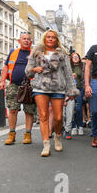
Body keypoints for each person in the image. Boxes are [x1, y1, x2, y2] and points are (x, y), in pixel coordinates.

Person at [25, 29, 79, 157]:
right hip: (40, 88)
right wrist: (34, 69)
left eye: (53, 37)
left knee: (58, 117)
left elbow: (68, 73)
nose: (50, 39)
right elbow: (28, 71)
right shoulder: (36, 53)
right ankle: (46, 144)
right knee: (43, 116)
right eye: (48, 37)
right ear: (44, 39)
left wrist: (71, 90)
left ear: (56, 40)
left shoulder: (63, 54)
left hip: (57, 88)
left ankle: (57, 137)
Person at [0, 32, 36, 145]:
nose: (26, 40)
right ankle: (11, 134)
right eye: (24, 39)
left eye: (28, 39)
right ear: (19, 41)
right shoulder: (13, 53)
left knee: (29, 111)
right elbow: (6, 67)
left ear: (31, 42)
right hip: (14, 85)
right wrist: (2, 81)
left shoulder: (35, 54)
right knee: (12, 110)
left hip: (30, 86)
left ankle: (28, 135)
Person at [63, 52, 85, 139]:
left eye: (77, 57)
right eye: (73, 57)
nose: (75, 58)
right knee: (71, 109)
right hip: (70, 90)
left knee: (79, 108)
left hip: (79, 89)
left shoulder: (82, 66)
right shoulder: (68, 67)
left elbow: (85, 78)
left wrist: (77, 77)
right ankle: (73, 126)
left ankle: (80, 126)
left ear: (79, 58)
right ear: (71, 59)